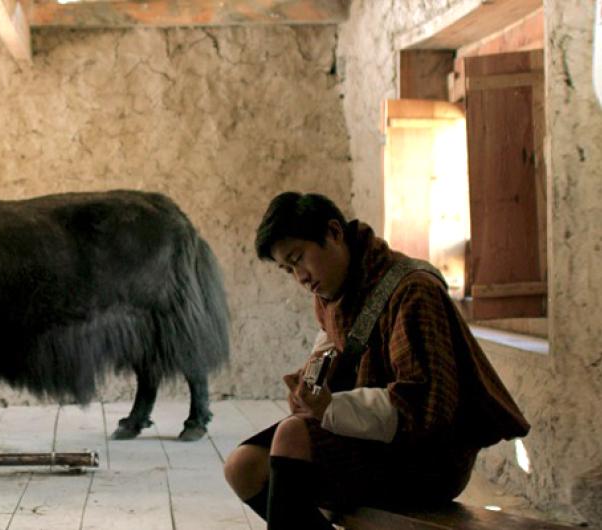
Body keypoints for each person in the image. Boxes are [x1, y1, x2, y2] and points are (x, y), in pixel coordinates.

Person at [223, 192, 530, 529]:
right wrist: (310, 385)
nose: (301, 277)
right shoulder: (332, 293)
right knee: (242, 467)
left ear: (334, 233)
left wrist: (331, 408)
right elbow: (333, 343)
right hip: (369, 439)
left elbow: (422, 407)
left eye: (299, 259)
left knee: (293, 436)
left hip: (427, 458)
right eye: (288, 269)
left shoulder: (413, 292)